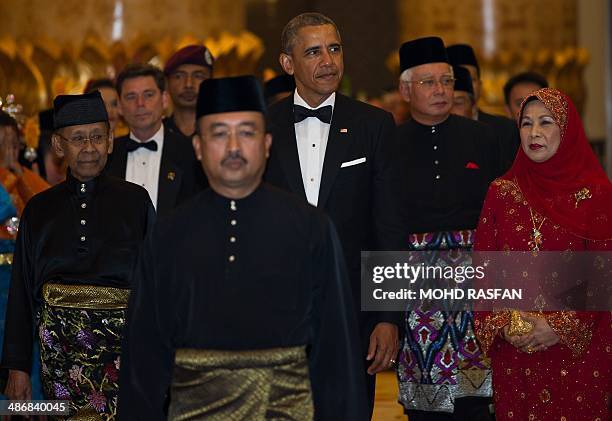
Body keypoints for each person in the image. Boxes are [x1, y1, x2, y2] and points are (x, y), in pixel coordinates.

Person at [118, 75, 368, 421]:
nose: (234, 146)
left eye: (247, 132)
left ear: (266, 143)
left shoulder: (312, 228)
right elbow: (143, 357)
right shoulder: (168, 235)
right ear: (198, 147)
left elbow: (337, 354)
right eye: (219, 133)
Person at [263, 12, 404, 414]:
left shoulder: (374, 124)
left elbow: (389, 227)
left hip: (352, 316)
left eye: (334, 48)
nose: (328, 60)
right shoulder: (261, 126)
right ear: (288, 63)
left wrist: (388, 317)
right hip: (274, 311)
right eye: (313, 51)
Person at [1, 92, 155, 419]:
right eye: (78, 139)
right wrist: (16, 368)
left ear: (111, 142)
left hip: (126, 357)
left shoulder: (136, 202)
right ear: (59, 146)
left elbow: (157, 284)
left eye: (98, 137)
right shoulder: (39, 209)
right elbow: (21, 293)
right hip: (57, 363)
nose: (89, 147)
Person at [474, 87, 612, 420]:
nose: (534, 133)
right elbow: (484, 269)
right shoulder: (501, 192)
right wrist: (504, 324)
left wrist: (558, 326)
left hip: (579, 352)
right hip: (516, 351)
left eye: (546, 122)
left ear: (566, 130)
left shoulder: (597, 194)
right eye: (526, 123)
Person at [395, 36, 497, 420]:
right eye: (428, 82)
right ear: (406, 89)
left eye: (447, 80)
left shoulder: (483, 138)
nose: (440, 90)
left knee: (476, 402)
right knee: (423, 405)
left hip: (476, 283)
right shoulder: (387, 143)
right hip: (412, 285)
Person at [105, 63, 204, 217]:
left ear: (164, 100)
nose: (140, 104)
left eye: (148, 95)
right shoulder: (106, 156)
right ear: (120, 106)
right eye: (131, 96)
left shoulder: (190, 153)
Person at [447, 43, 519, 173]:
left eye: (471, 79)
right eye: (455, 79)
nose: (465, 83)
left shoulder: (506, 130)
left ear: (480, 85)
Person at [163, 44, 214, 141]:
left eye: (198, 76)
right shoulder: (156, 133)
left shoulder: (220, 133)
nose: (188, 84)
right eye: (179, 76)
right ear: (167, 84)